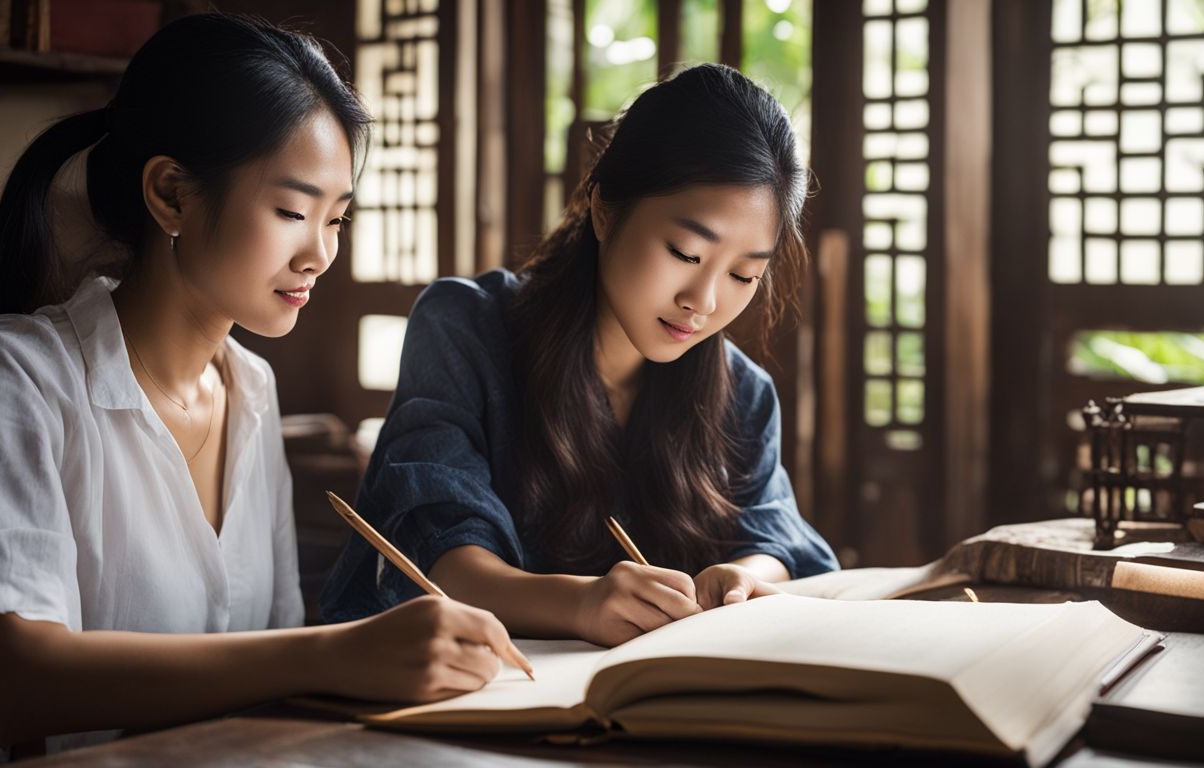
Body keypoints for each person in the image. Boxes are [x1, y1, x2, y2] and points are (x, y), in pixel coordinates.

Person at [0, 14, 518, 765]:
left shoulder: (251, 387)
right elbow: (22, 680)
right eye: (291, 210)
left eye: (337, 218)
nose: (320, 253)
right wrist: (331, 652)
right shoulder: (17, 376)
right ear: (171, 194)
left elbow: (265, 664)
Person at [321, 63, 838, 648]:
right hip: (471, 697)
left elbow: (777, 543)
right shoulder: (465, 329)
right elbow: (441, 558)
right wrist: (583, 603)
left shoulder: (742, 392)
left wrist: (743, 579)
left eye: (746, 274)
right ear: (604, 208)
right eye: (685, 253)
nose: (704, 301)